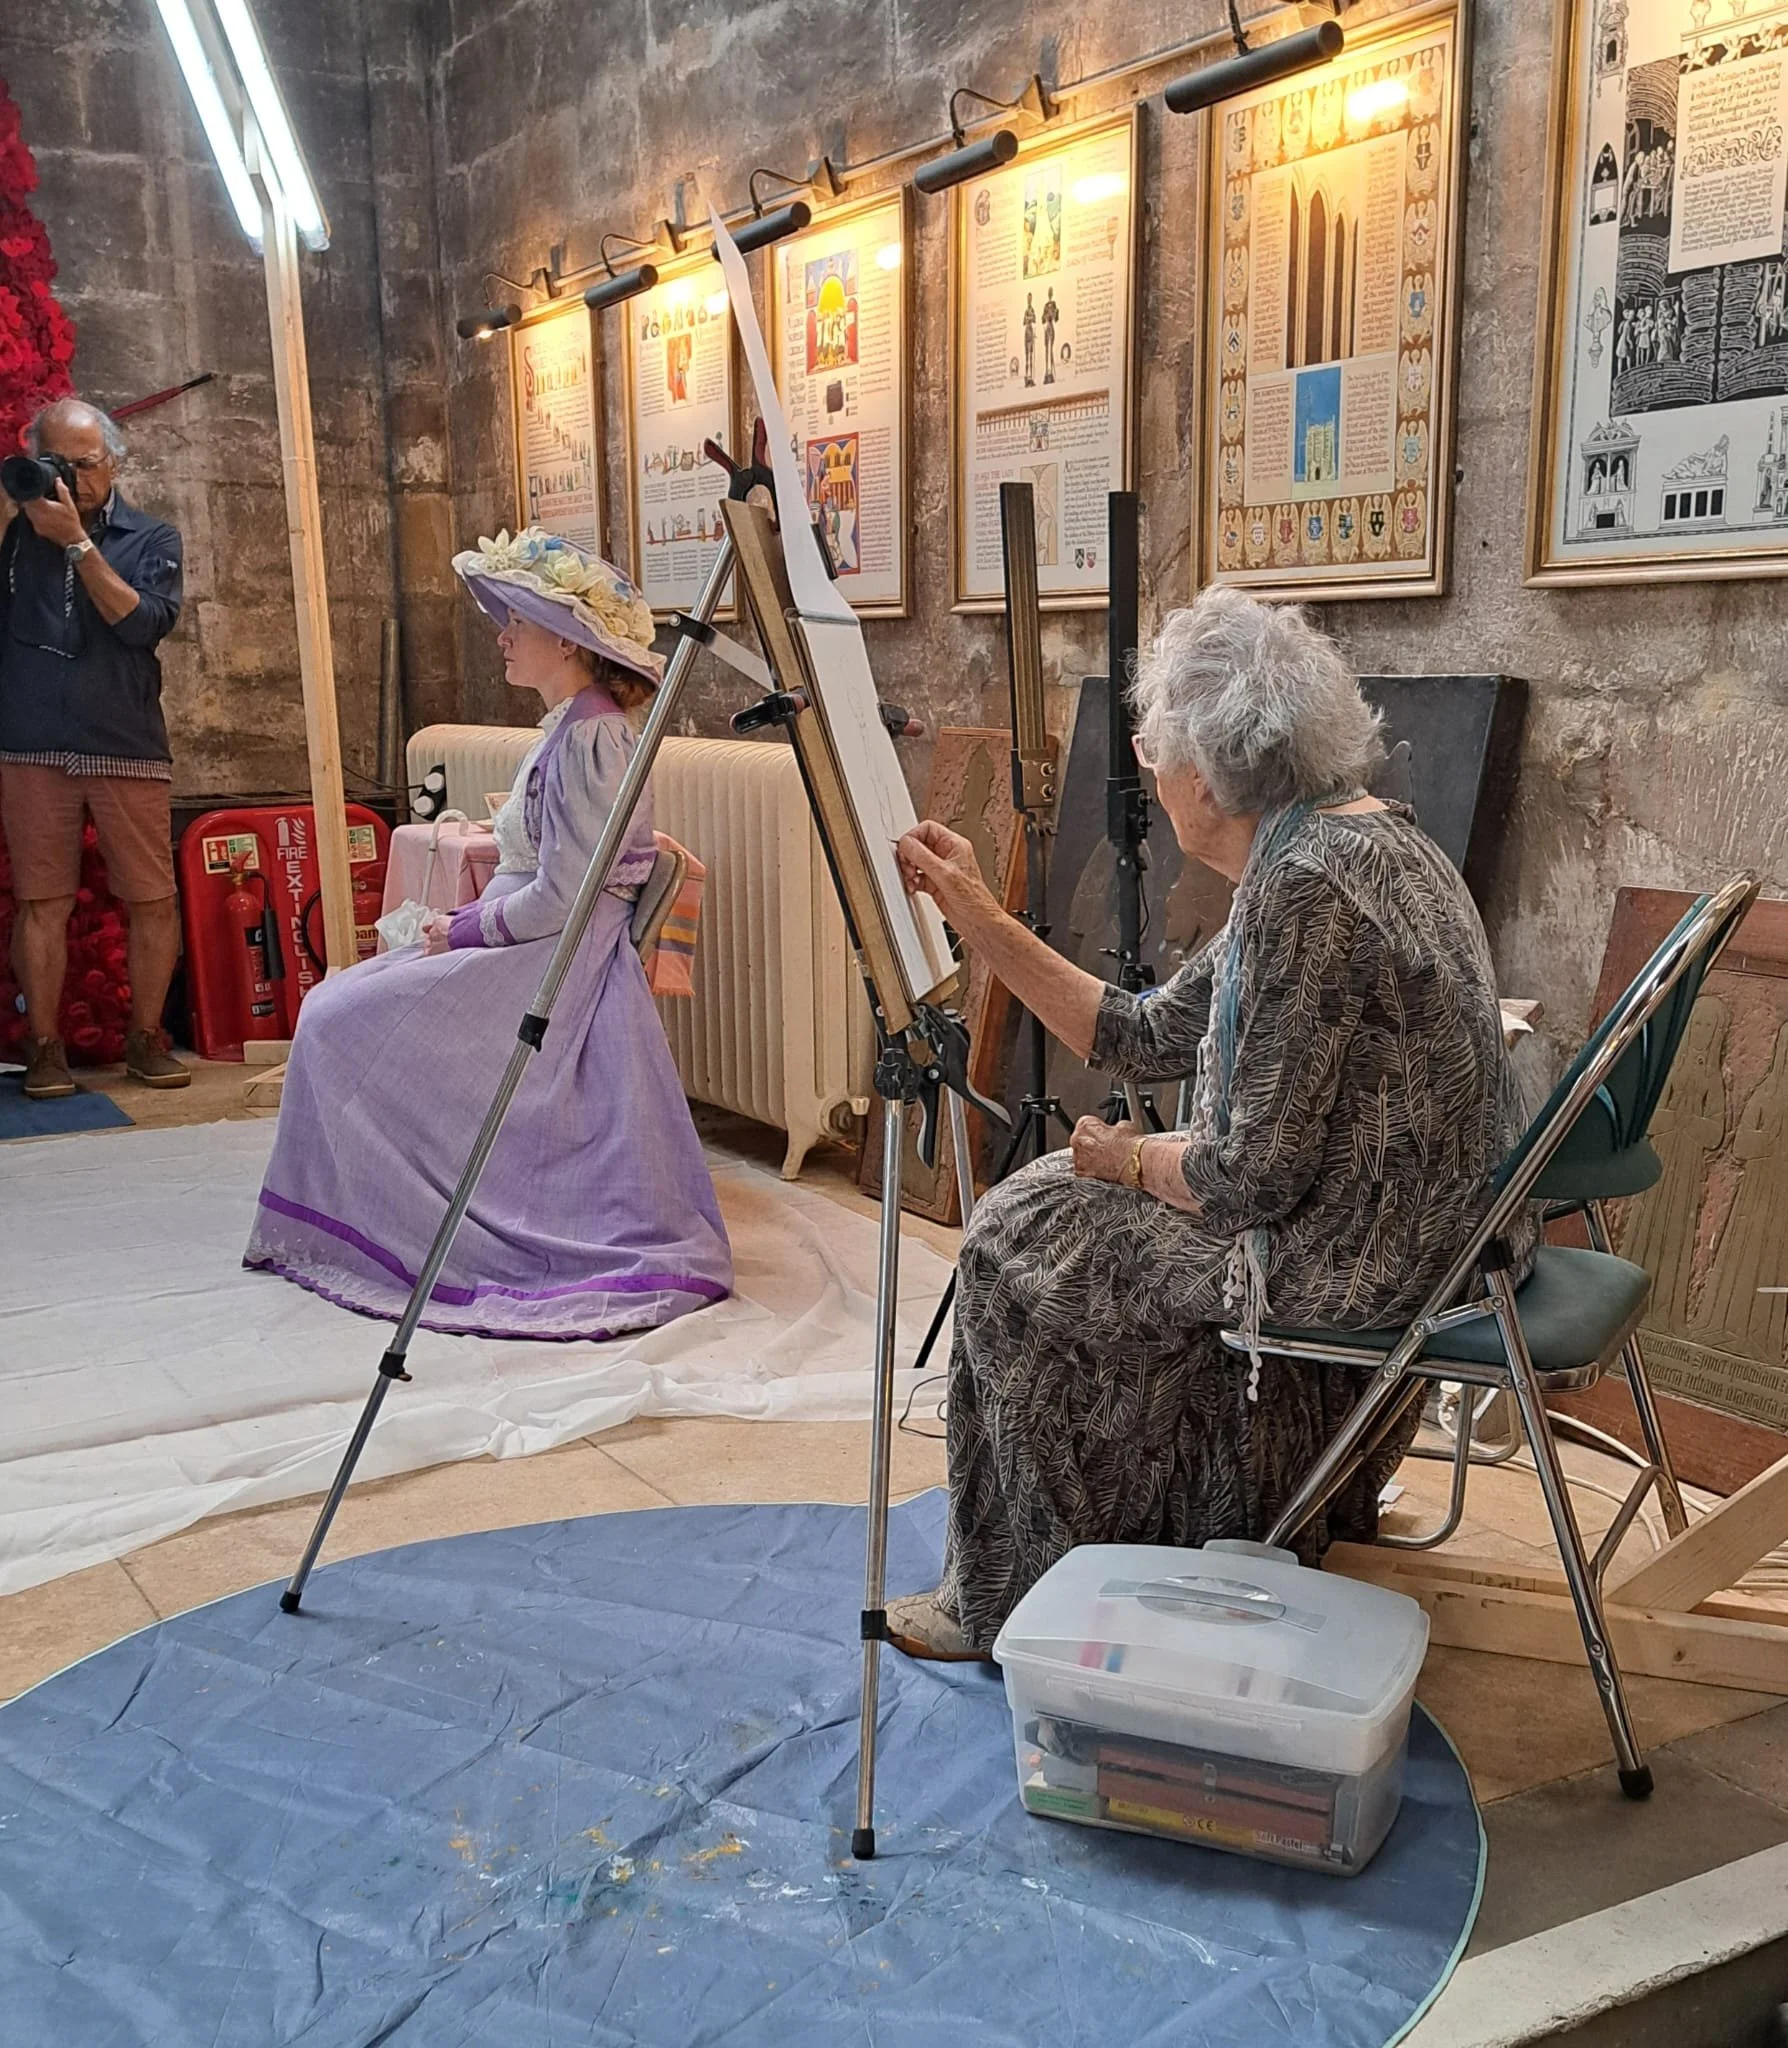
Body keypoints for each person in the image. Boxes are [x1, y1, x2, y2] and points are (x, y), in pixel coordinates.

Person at [887, 587, 1534, 1659]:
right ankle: (1178, 1516)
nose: (1148, 770)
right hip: (1416, 1235)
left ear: (1203, 769)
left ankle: (1004, 1596)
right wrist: (976, 913)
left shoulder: (1306, 889)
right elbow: (1140, 1032)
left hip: (1359, 1264)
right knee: (1059, 1204)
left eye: (1153, 746)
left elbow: (1245, 1179)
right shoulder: (1352, 839)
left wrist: (1126, 1155)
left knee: (1011, 1233)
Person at [244, 527, 732, 1340]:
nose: (502, 635)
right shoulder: (569, 729)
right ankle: (396, 1213)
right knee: (339, 1008)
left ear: (571, 644)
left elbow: (566, 896)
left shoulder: (594, 736)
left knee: (336, 1021)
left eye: (518, 620)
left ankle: (423, 1220)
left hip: (550, 962)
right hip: (529, 945)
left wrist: (459, 928)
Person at [0, 397, 187, 1097]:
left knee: (151, 899)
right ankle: (43, 1048)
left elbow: (142, 626)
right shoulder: (15, 535)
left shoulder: (151, 537)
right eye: (57, 463)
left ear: (115, 461)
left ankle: (146, 1038)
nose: (73, 478)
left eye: (84, 464)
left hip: (124, 740)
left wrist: (77, 543)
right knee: (41, 902)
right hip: (30, 743)